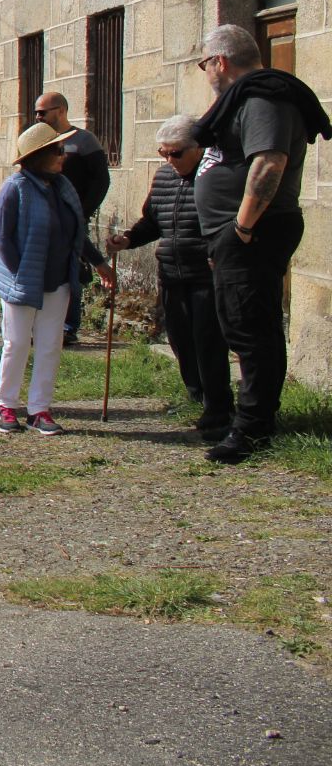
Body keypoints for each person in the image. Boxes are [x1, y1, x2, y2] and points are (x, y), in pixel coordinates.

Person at [192, 23, 330, 463]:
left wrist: (242, 227)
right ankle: (249, 420)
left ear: (221, 61)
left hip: (255, 232)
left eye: (203, 64)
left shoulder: (262, 97)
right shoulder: (252, 95)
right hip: (241, 233)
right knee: (245, 326)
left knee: (252, 332)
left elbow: (270, 162)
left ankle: (252, 430)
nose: (204, 73)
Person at [107, 114, 230, 437]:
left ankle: (218, 409)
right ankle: (197, 396)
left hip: (205, 274)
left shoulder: (214, 177)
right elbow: (152, 221)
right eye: (164, 153)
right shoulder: (163, 178)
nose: (169, 159)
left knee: (208, 341)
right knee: (179, 338)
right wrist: (129, 239)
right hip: (171, 273)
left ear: (197, 148)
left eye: (176, 153)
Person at [0, 122, 115, 436]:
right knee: (17, 343)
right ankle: (6, 405)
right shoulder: (15, 187)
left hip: (59, 279)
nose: (64, 157)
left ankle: (39, 410)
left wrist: (99, 262)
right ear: (40, 155)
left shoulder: (63, 187)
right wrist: (20, 273)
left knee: (50, 345)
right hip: (22, 281)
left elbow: (78, 232)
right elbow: (2, 238)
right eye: (59, 151)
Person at [34, 91, 110, 344]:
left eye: (43, 112)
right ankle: (41, 324)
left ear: (61, 110)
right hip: (43, 217)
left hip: (74, 215)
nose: (38, 116)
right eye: (36, 112)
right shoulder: (37, 141)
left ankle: (68, 327)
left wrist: (82, 212)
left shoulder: (85, 140)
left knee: (71, 270)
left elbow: (101, 180)